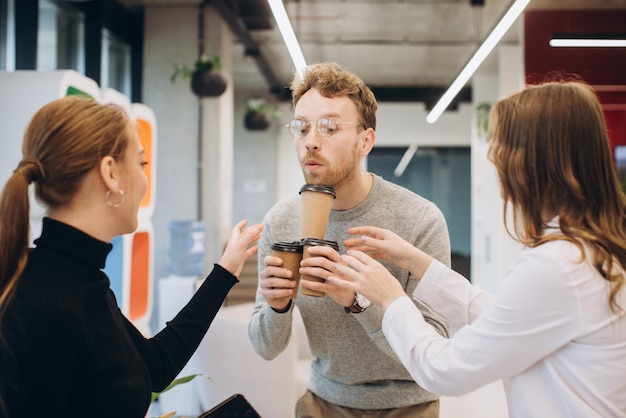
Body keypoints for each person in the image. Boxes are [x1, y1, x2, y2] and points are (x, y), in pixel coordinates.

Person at [319, 81, 626, 417]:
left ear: (536, 161)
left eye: (505, 146)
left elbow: (444, 370)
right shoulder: (582, 250)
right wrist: (416, 261)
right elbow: (504, 316)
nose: (495, 158)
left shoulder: (559, 264)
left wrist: (390, 297)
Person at [0, 96, 263, 418]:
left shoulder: (81, 282)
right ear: (111, 172)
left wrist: (226, 270)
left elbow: (156, 366)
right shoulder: (52, 302)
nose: (144, 180)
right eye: (141, 164)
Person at [248, 62, 451, 418]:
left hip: (410, 406)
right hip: (322, 402)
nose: (311, 141)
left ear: (365, 140)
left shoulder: (419, 220)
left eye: (329, 127)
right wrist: (276, 306)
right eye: (302, 127)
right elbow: (266, 348)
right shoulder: (282, 221)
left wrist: (358, 302)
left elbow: (436, 345)